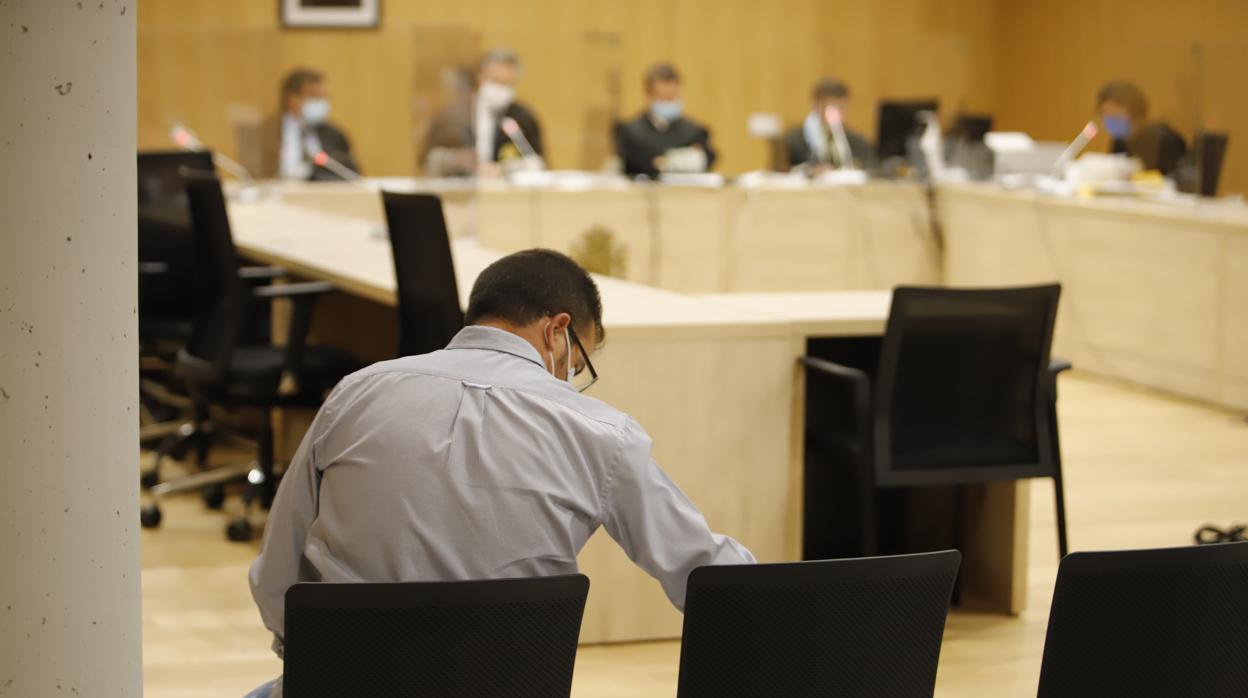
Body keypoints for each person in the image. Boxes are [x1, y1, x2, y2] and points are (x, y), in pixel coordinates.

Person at [244, 250, 755, 698]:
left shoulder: (355, 393)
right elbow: (709, 575)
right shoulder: (600, 433)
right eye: (578, 363)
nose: (573, 379)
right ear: (556, 331)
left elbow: (276, 573)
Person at [419, 49, 545, 176]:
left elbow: (536, 162)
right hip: (461, 184)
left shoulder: (522, 118)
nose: (500, 88)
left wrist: (502, 169)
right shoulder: (454, 114)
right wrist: (456, 160)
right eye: (495, 80)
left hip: (503, 186)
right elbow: (427, 160)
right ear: (480, 77)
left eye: (507, 83)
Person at [616, 63, 717, 179]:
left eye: (671, 97)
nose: (668, 103)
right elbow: (634, 162)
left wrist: (663, 161)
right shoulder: (631, 131)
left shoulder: (694, 130)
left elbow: (707, 158)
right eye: (663, 97)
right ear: (649, 95)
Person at [266, 68, 360, 181]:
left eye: (323, 97)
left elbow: (351, 173)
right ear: (291, 98)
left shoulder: (333, 134)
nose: (320, 103)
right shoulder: (267, 132)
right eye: (314, 97)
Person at [1096, 80, 1186, 175]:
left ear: (1134, 110)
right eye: (1105, 115)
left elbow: (1175, 179)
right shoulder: (1119, 142)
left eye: (1114, 115)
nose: (1109, 121)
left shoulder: (1167, 140)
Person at [784, 78, 875, 171]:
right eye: (832, 108)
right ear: (816, 106)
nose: (838, 114)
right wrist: (811, 170)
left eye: (842, 108)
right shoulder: (796, 140)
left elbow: (871, 167)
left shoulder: (858, 142)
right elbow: (785, 171)